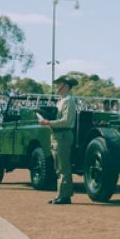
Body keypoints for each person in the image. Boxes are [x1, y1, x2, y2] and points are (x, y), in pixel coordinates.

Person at [39, 75, 77, 204]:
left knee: (63, 166)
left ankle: (64, 196)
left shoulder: (68, 100)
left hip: (63, 135)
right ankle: (61, 194)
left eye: (59, 84)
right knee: (58, 166)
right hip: (57, 135)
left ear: (65, 86)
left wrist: (48, 122)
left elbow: (66, 121)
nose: (57, 87)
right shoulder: (61, 101)